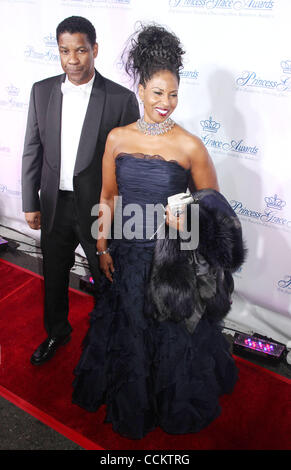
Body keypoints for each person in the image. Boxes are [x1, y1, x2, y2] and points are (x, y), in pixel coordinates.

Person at [72, 24, 245, 439]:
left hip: (172, 261)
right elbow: (108, 195)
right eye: (156, 93)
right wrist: (101, 242)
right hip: (127, 255)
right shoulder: (117, 138)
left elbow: (214, 209)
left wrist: (183, 218)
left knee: (173, 338)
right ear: (140, 88)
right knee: (128, 331)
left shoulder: (189, 146)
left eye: (173, 94)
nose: (165, 103)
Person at [21, 16, 140, 366]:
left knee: (107, 281)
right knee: (54, 276)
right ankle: (57, 331)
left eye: (80, 50)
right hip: (55, 205)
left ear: (95, 50)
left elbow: (129, 166)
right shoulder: (41, 91)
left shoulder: (120, 99)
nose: (72, 59)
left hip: (98, 209)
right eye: (64, 51)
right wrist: (30, 201)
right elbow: (33, 148)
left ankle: (110, 340)